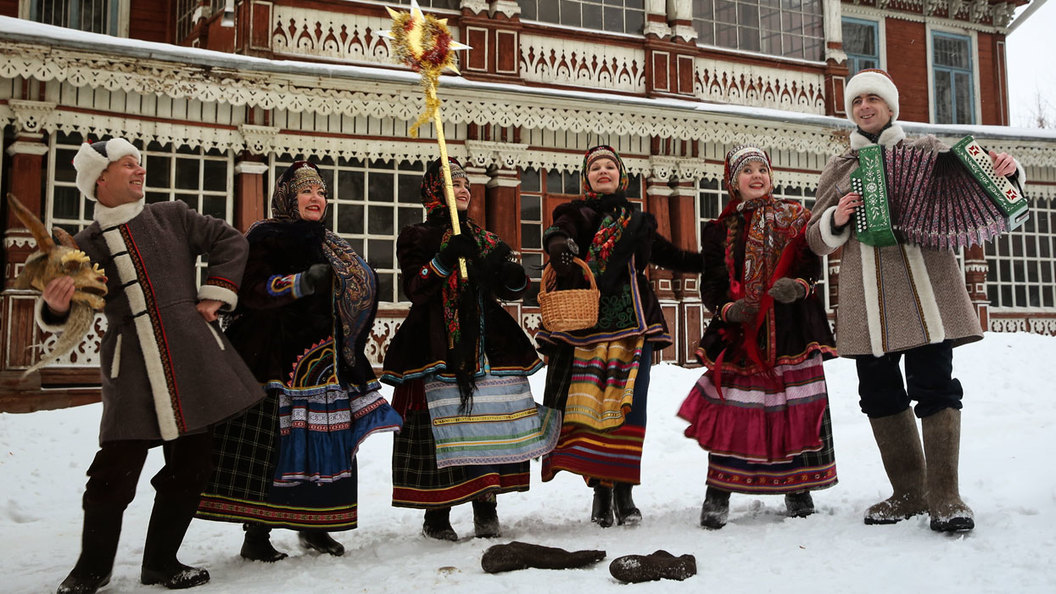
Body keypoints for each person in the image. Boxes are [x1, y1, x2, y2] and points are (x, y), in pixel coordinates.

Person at [40, 138, 264, 593]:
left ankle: (162, 563)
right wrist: (56, 305)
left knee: (192, 467)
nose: (139, 171)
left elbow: (229, 241)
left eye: (140, 164)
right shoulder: (82, 247)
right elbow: (71, 310)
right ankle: (91, 570)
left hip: (191, 359)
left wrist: (215, 293)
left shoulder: (173, 216)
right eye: (128, 165)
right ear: (100, 178)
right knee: (112, 474)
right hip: (132, 369)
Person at [805, 69, 1022, 532]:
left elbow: (986, 184)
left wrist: (1006, 170)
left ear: (890, 108)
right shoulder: (839, 167)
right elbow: (814, 239)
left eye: (874, 100)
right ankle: (909, 492)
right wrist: (836, 218)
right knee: (878, 393)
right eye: (857, 100)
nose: (865, 106)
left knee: (935, 386)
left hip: (928, 294)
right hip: (869, 301)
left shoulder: (926, 151)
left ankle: (946, 497)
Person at [197, 161, 402, 560]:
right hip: (275, 358)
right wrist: (299, 282)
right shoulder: (265, 235)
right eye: (307, 191)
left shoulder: (331, 241)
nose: (316, 199)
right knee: (274, 447)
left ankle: (317, 525)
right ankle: (257, 534)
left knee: (327, 443)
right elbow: (251, 289)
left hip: (325, 358)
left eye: (322, 193)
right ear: (288, 198)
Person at [381, 157, 556, 540]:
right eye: (452, 184)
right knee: (438, 425)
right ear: (432, 192)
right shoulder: (415, 236)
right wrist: (444, 260)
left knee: (488, 421)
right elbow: (414, 287)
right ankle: (437, 513)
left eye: (465, 186)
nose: (462, 190)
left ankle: (486, 505)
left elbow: (510, 287)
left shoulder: (486, 239)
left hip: (487, 338)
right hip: (435, 341)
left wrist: (511, 277)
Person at [536, 145, 704, 527]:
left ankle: (625, 491)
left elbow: (668, 254)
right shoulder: (574, 211)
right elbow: (558, 233)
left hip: (635, 325)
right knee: (593, 410)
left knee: (630, 407)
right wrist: (559, 246)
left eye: (610, 165)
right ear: (586, 177)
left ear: (622, 175)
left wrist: (707, 262)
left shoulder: (637, 219)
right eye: (595, 167)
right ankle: (601, 493)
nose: (603, 171)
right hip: (589, 324)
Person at [677, 145, 838, 529]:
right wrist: (728, 309)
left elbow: (809, 263)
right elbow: (712, 282)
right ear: (733, 182)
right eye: (746, 170)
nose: (756, 176)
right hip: (741, 334)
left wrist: (798, 287)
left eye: (761, 169)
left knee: (792, 408)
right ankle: (718, 492)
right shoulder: (719, 230)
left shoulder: (796, 216)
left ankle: (797, 489)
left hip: (791, 330)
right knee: (735, 410)